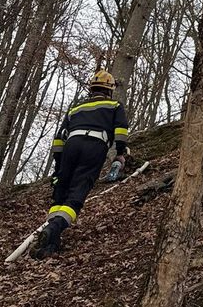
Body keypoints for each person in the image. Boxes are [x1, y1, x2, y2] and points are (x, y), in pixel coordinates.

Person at [31, 70, 130, 259]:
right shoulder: (115, 105)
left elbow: (59, 139)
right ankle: (54, 228)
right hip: (95, 146)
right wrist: (120, 154)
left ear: (91, 89)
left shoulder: (75, 109)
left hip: (71, 146)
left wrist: (58, 166)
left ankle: (51, 241)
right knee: (79, 188)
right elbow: (121, 130)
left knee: (61, 191)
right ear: (109, 90)